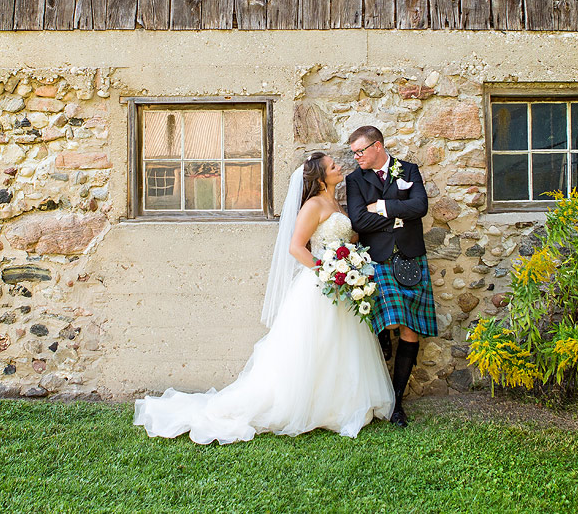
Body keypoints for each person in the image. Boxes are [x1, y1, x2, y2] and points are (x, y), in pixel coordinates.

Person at [133, 152, 395, 444]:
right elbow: (296, 247)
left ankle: (339, 403)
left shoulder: (335, 203)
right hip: (321, 284)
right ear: (321, 177)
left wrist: (350, 265)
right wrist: (330, 273)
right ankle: (306, 405)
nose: (340, 167)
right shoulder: (313, 205)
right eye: (333, 166)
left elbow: (345, 239)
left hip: (341, 283)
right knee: (314, 346)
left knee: (340, 345)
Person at [344, 125, 437, 427]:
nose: (356, 156)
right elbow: (358, 219)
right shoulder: (355, 179)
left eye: (360, 150)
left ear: (378, 147)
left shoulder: (408, 170)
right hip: (380, 258)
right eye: (354, 152)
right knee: (389, 318)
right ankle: (384, 337)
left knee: (411, 328)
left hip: (411, 256)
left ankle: (397, 402)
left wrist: (383, 206)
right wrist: (398, 218)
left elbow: (420, 206)